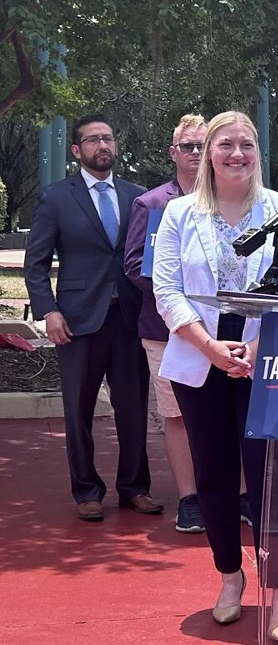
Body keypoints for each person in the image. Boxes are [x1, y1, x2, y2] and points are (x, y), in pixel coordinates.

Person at [151, 111, 278, 638]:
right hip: (201, 355)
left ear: (259, 151)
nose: (236, 153)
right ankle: (230, 576)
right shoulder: (177, 213)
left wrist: (258, 346)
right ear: (207, 153)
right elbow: (166, 291)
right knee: (214, 474)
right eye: (225, 145)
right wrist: (211, 347)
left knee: (269, 480)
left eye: (247, 144)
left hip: (269, 355)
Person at [25, 114, 160, 522]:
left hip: (128, 319)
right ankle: (86, 490)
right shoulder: (55, 198)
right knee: (78, 410)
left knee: (134, 408)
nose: (103, 146)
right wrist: (48, 310)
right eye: (93, 140)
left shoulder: (137, 197)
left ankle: (134, 487)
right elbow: (36, 264)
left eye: (108, 138)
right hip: (77, 320)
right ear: (76, 150)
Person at [123, 113, 208, 534]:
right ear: (174, 152)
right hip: (164, 329)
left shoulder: (230, 199)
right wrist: (179, 294)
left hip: (221, 329)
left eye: (202, 145)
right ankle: (190, 498)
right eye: (189, 146)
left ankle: (239, 494)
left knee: (226, 413)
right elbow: (135, 264)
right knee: (175, 416)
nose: (196, 153)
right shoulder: (153, 203)